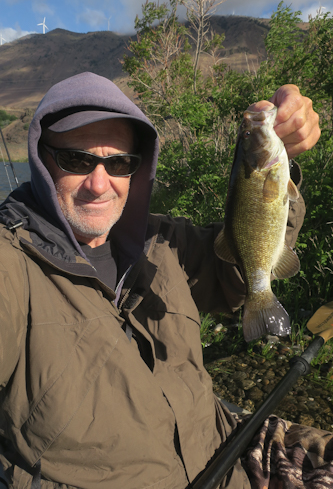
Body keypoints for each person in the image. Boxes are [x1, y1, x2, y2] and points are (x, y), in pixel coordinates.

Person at [0, 72, 321, 489]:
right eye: (77, 160)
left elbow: (239, 262)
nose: (100, 184)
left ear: (138, 169)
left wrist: (286, 155)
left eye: (119, 163)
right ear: (42, 160)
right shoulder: (12, 266)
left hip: (230, 459)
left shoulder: (165, 241)